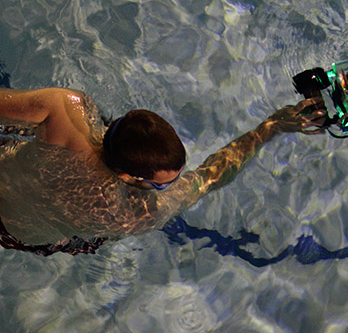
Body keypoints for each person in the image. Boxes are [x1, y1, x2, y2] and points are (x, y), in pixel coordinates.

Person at [0, 87, 325, 256]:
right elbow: (211, 176)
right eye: (159, 185)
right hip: (17, 234)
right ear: (128, 177)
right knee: (97, 240)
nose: (166, 190)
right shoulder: (135, 213)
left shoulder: (63, 108)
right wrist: (272, 127)